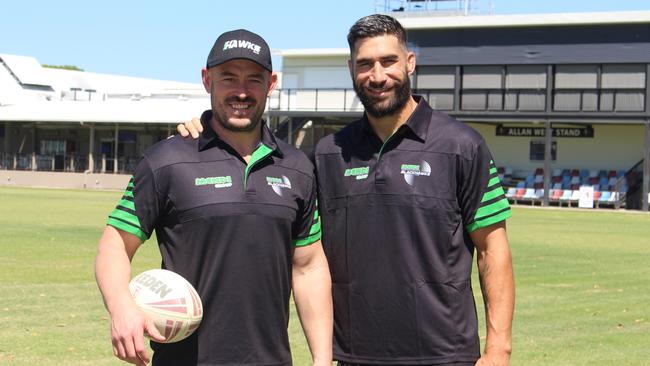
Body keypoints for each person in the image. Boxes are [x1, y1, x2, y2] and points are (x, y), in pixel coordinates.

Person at [178, 15, 514, 366]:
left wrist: (498, 349)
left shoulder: (462, 145)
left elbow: (493, 249)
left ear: (410, 63)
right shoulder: (328, 153)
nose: (378, 75)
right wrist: (204, 132)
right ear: (351, 68)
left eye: (389, 61)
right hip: (353, 356)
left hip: (446, 354)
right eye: (365, 64)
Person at [95, 29, 333, 366]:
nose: (241, 91)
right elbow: (114, 244)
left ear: (271, 83)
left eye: (253, 79)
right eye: (228, 78)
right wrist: (121, 307)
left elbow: (308, 267)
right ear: (207, 80)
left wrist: (322, 360)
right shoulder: (167, 160)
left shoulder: (297, 168)